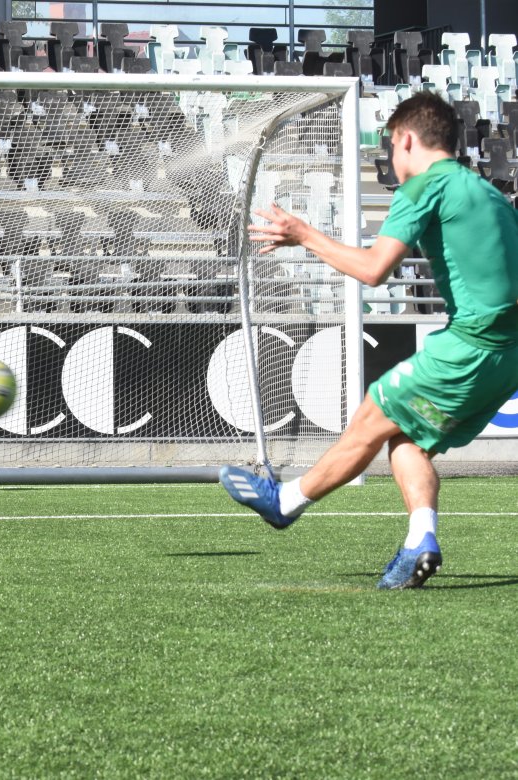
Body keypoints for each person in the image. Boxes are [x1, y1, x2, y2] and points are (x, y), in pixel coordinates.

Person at [220, 91, 518, 589]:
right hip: (508, 356)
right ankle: (419, 539)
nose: (392, 161)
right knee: (406, 437)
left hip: (470, 342)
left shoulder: (425, 187)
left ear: (407, 139)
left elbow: (375, 269)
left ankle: (285, 502)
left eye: (391, 147)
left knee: (373, 410)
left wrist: (305, 235)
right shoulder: (490, 195)